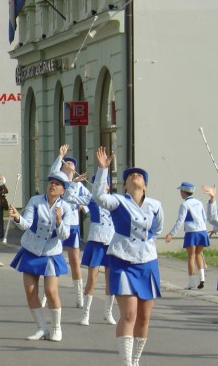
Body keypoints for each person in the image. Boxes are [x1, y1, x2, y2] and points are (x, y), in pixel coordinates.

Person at [93, 147, 164, 366]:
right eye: (131, 175)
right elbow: (98, 197)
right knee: (129, 314)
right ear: (124, 185)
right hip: (122, 260)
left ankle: (135, 360)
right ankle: (125, 363)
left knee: (144, 317)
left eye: (140, 175)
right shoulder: (118, 201)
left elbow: (158, 229)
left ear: (145, 185)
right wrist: (103, 170)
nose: (135, 176)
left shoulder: (155, 205)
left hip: (148, 262)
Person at [8, 172, 73, 342]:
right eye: (51, 182)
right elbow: (26, 224)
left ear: (63, 190)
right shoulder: (35, 201)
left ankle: (56, 327)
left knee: (51, 292)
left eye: (57, 184)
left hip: (51, 253)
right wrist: (17, 217)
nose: (53, 186)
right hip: (31, 249)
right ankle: (41, 328)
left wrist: (59, 221)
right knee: (30, 291)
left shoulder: (66, 208)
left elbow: (65, 236)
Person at [65, 174, 117, 326]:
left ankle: (108, 313)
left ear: (108, 186)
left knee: (110, 280)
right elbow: (69, 198)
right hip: (96, 241)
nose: (100, 186)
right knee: (92, 278)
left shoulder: (115, 201)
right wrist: (74, 183)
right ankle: (86, 313)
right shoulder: (91, 198)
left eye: (103, 184)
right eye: (96, 184)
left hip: (111, 242)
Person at [50, 144, 88, 308]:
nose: (70, 164)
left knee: (74, 261)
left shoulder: (80, 186)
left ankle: (79, 295)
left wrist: (84, 207)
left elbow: (90, 201)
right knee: (51, 257)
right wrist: (60, 156)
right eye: (67, 162)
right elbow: (52, 172)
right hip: (58, 223)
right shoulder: (59, 182)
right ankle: (48, 294)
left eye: (72, 164)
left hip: (73, 226)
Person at [165, 182, 211, 290]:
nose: (180, 193)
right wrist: (204, 228)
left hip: (191, 232)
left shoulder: (184, 204)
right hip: (202, 230)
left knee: (191, 257)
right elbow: (204, 217)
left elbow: (180, 220)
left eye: (181, 191)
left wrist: (171, 233)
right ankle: (202, 278)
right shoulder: (199, 202)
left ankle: (191, 282)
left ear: (184, 192)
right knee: (199, 254)